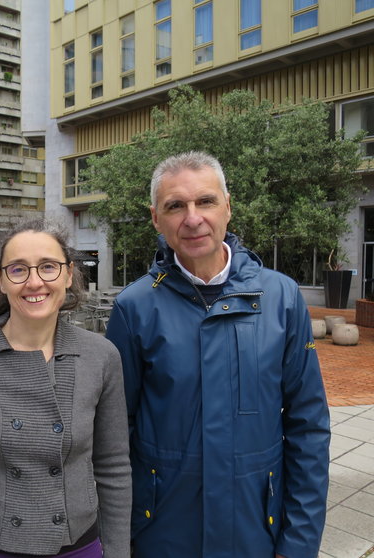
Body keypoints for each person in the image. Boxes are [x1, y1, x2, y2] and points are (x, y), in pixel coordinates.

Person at [106, 151, 330, 558]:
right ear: (157, 219)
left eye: (205, 201)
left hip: (255, 530)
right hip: (163, 533)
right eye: (176, 206)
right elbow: (116, 435)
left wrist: (298, 543)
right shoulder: (133, 307)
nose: (192, 218)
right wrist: (121, 540)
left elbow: (308, 428)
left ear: (228, 207)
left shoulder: (281, 298)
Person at [0, 219, 132, 558]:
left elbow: (114, 466)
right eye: (18, 269)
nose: (35, 282)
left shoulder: (101, 355)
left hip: (78, 547)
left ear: (67, 274)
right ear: (2, 280)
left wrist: (119, 553)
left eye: (48, 267)